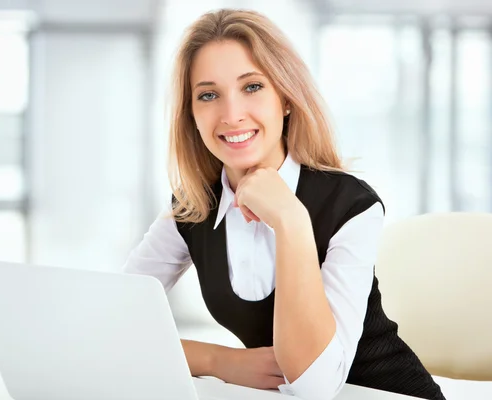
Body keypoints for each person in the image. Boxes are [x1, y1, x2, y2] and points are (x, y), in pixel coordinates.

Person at [123, 8, 445, 400]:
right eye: (208, 95)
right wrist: (217, 361)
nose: (231, 115)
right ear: (191, 115)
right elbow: (114, 322)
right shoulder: (193, 208)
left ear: (286, 99)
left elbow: (315, 385)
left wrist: (290, 218)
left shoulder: (352, 206)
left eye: (252, 87)